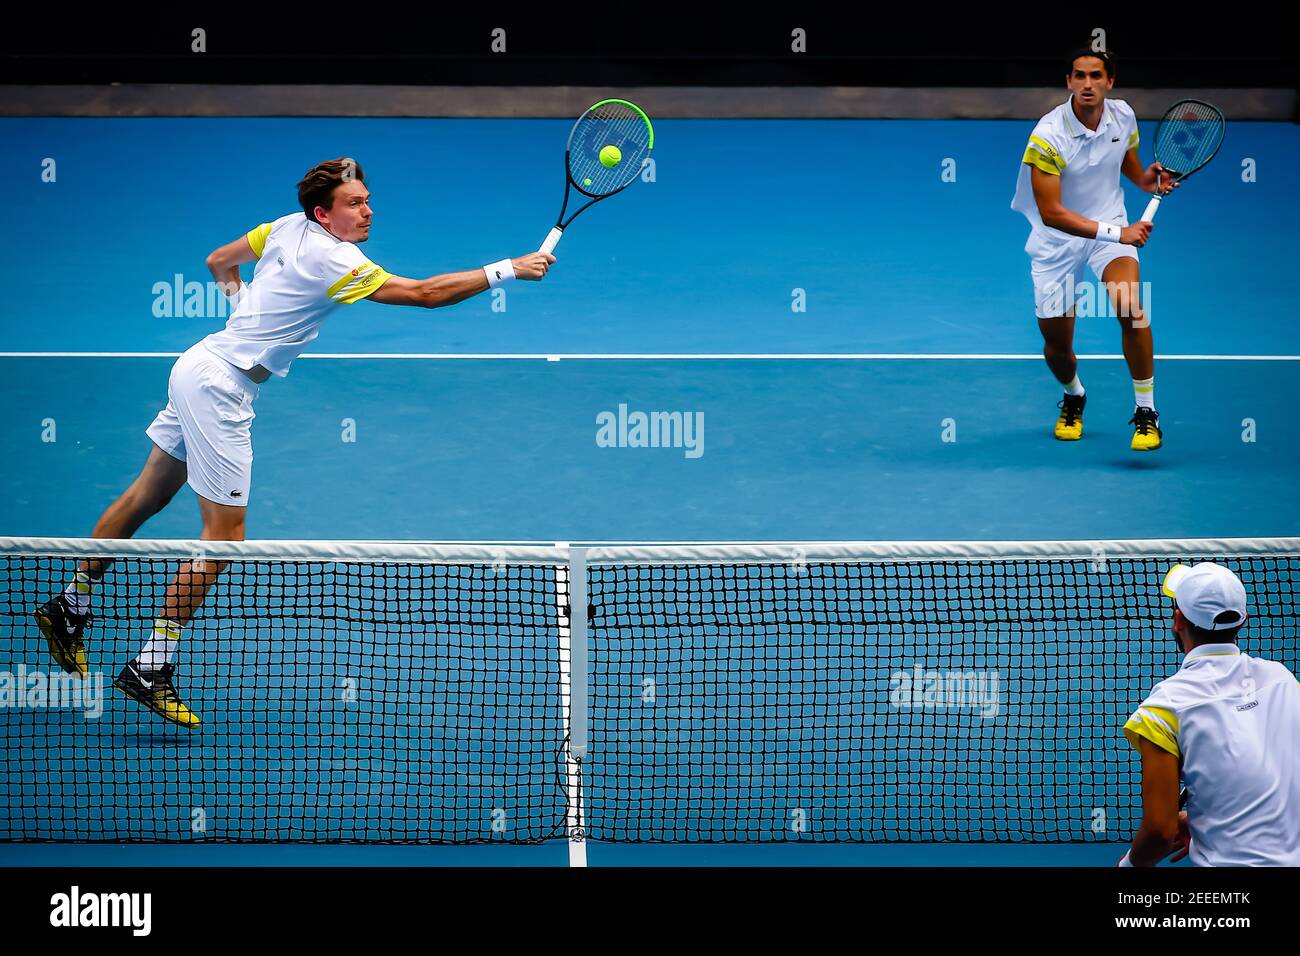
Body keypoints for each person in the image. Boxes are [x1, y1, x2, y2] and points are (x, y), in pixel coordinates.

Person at [34, 157, 555, 727]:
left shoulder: (283, 226)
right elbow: (427, 294)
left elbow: (218, 261)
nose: (368, 210)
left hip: (197, 364)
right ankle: (151, 666)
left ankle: (70, 604)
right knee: (224, 539)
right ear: (323, 213)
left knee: (146, 497)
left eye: (367, 200)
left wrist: (243, 310)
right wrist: (510, 269)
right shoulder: (337, 258)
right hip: (220, 390)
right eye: (355, 203)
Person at [1011, 48, 1176, 450]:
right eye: (1080, 76)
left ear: (1109, 81)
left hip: (1111, 225)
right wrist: (1118, 234)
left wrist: (1146, 178)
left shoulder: (1123, 115)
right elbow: (1052, 213)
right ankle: (1073, 395)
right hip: (1058, 242)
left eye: (1096, 76)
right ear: (1069, 81)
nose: (1088, 84)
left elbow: (1128, 166)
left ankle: (1146, 411)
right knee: (1057, 347)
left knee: (1130, 307)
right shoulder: (1047, 135)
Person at [1120, 562, 1300, 866]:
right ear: (1243, 621)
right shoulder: (1284, 682)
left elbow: (1160, 831)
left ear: (1178, 620)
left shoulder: (1164, 708)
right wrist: (1221, 814)